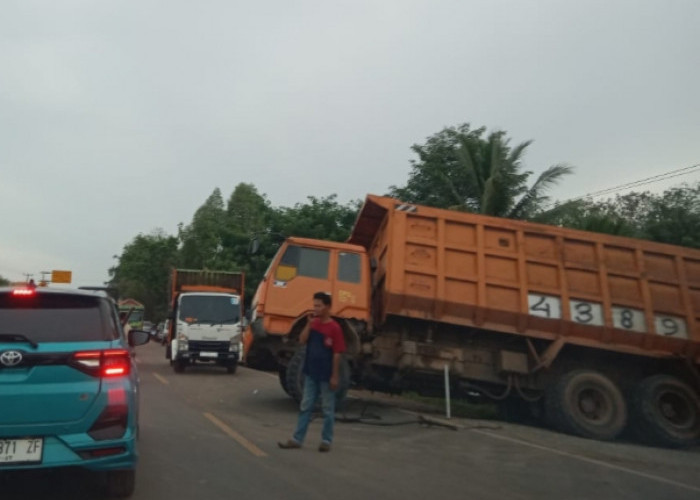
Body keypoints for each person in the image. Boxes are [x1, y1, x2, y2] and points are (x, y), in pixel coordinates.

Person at [278, 292, 346, 452]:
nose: (315, 308)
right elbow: (302, 340)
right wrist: (308, 324)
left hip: (326, 374)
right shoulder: (314, 324)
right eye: (314, 305)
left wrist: (335, 375)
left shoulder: (335, 328)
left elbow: (337, 353)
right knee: (305, 406)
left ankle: (326, 440)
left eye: (319, 306)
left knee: (328, 409)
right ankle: (297, 439)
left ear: (328, 307)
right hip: (310, 373)